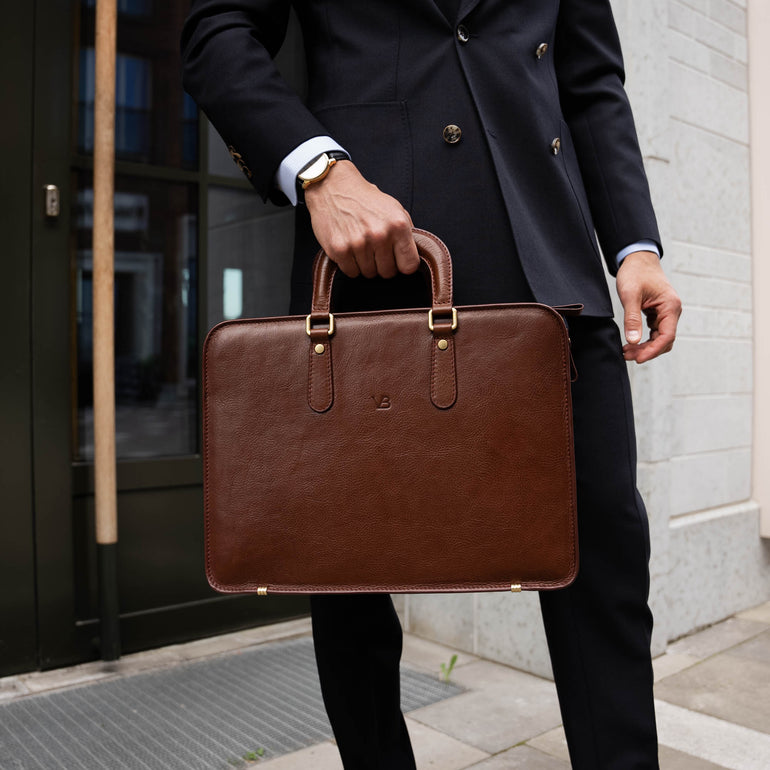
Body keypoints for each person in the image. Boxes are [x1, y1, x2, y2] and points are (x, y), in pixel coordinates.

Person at [181, 1, 682, 767]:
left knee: (607, 576)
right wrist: (318, 167)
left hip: (553, 276)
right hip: (376, 265)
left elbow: (591, 85)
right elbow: (218, 30)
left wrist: (634, 245)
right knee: (348, 580)